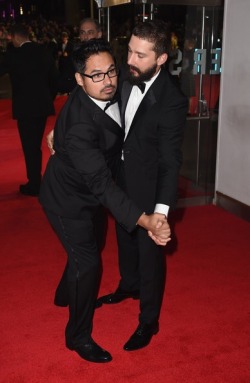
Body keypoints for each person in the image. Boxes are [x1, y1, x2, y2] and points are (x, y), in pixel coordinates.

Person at [39, 38, 171, 363]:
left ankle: (62, 294)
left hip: (88, 193)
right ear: (79, 79)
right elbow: (102, 184)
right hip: (67, 200)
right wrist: (144, 219)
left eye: (111, 71)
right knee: (88, 263)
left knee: (92, 244)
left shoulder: (109, 87)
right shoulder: (82, 127)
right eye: (96, 76)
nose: (108, 81)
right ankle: (77, 336)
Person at [96, 20, 188, 351]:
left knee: (149, 254)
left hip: (148, 187)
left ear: (161, 58)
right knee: (124, 236)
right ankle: (128, 285)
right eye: (130, 50)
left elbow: (170, 161)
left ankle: (149, 319)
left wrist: (161, 213)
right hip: (119, 178)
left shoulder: (172, 100)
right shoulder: (128, 73)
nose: (130, 60)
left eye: (140, 55)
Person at [0, 24, 58, 196]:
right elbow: (54, 79)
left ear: (16, 37)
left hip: (25, 109)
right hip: (41, 107)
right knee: (35, 146)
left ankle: (34, 183)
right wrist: (49, 98)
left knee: (29, 146)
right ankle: (36, 181)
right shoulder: (43, 51)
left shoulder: (14, 55)